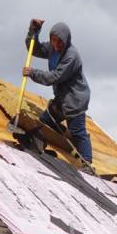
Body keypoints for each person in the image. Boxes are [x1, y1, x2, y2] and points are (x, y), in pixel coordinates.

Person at [23, 19, 92, 165]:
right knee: (45, 122)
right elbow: (33, 48)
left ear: (66, 40)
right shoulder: (53, 49)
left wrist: (33, 73)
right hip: (61, 98)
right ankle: (57, 139)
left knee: (79, 133)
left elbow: (55, 77)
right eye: (53, 40)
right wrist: (34, 30)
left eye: (59, 41)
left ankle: (87, 164)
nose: (56, 44)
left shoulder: (71, 56)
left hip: (75, 100)